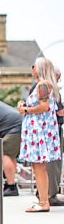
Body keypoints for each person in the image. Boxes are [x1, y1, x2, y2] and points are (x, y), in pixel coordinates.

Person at [17, 57, 61, 212]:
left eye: (34, 65)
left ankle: (43, 202)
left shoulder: (43, 85)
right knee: (38, 167)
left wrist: (26, 110)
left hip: (39, 131)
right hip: (40, 130)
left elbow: (44, 106)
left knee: (39, 167)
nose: (32, 68)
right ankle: (44, 200)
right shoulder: (45, 85)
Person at [45, 66, 64, 206]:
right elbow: (57, 112)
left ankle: (45, 193)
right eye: (58, 77)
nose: (59, 79)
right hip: (53, 131)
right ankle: (51, 194)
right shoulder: (51, 89)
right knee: (53, 164)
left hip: (50, 131)